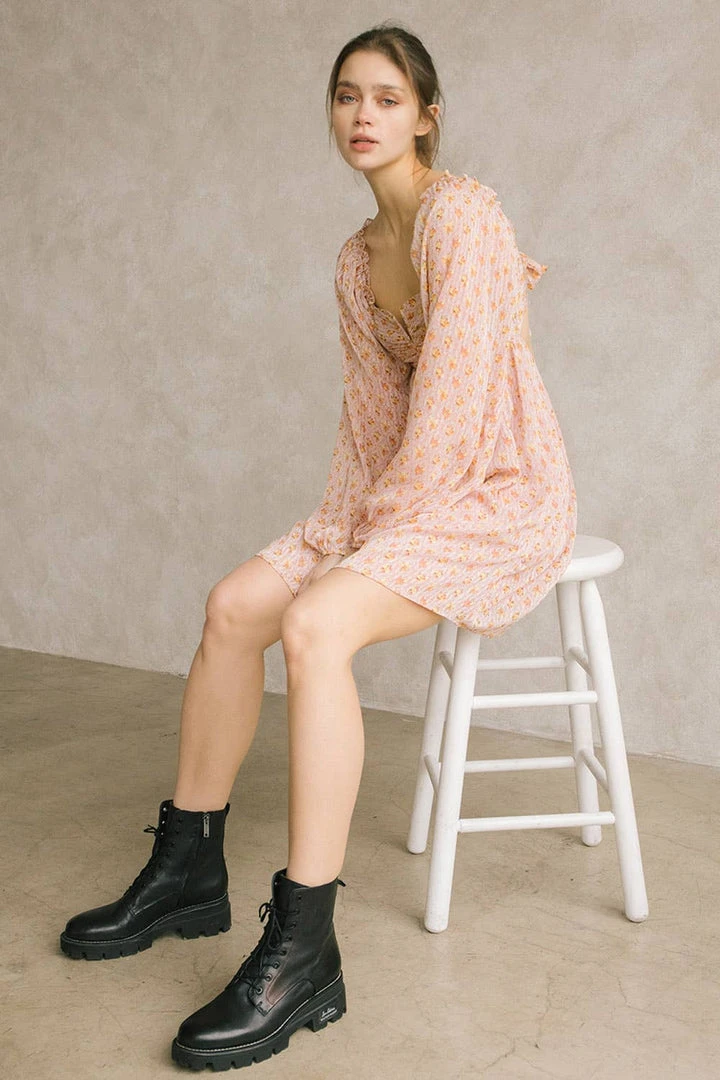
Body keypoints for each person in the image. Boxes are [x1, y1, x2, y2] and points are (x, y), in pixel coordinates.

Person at [59, 21, 577, 1072]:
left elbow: (455, 413)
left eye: (386, 98)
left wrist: (362, 550)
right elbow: (372, 423)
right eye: (347, 96)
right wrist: (347, 525)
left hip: (496, 492)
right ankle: (187, 870)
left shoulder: (462, 217)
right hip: (398, 492)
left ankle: (303, 950)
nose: (362, 115)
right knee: (233, 605)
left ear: (426, 117)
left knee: (314, 625)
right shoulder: (355, 260)